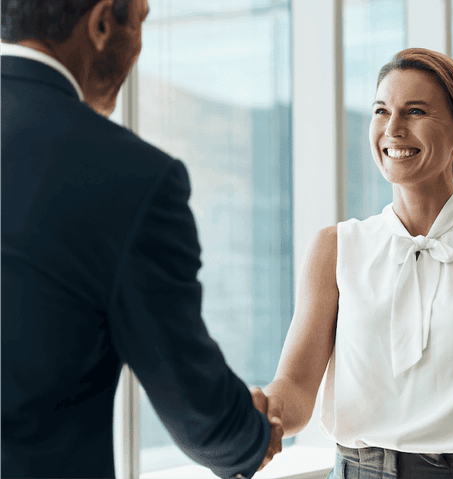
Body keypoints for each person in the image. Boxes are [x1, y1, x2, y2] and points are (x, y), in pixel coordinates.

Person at [0, 0, 283, 477]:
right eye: (142, 20)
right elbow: (198, 411)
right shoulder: (129, 178)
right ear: (102, 22)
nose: (140, 48)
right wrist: (251, 435)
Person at [262, 48, 453, 479]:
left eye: (415, 111)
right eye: (380, 111)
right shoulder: (335, 248)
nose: (392, 129)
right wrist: (264, 413)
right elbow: (295, 388)